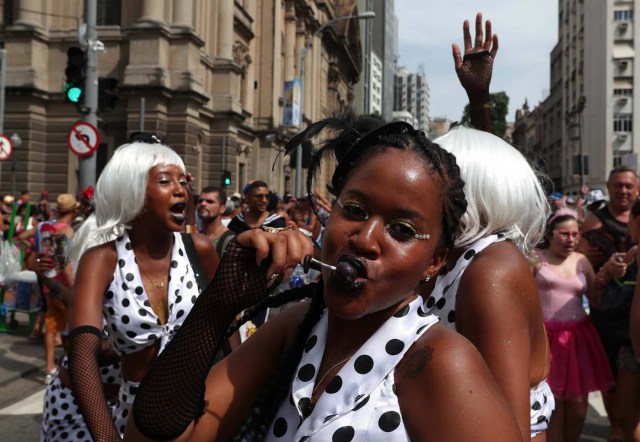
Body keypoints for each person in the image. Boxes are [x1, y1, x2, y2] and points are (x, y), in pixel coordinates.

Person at [127, 115, 522, 441]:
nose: (365, 240)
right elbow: (156, 436)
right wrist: (216, 307)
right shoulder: (295, 328)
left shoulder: (439, 362)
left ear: (434, 261)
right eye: (353, 209)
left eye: (401, 230)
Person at [424, 14, 552, 441]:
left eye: (439, 181)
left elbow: (506, 423)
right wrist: (479, 106)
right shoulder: (457, 256)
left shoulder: (491, 270)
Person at [67, 134, 219, 441]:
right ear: (134, 191)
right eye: (165, 181)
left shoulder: (199, 249)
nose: (180, 189)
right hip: (135, 420)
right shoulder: (102, 259)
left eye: (182, 180)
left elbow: (226, 325)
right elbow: (81, 354)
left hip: (203, 410)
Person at [533, 208, 614, 442]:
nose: (571, 239)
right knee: (554, 406)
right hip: (548, 339)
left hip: (578, 338)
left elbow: (595, 299)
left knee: (579, 409)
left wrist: (606, 276)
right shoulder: (535, 259)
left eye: (575, 234)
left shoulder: (582, 261)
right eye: (564, 234)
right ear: (550, 235)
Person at [577, 165, 639, 441]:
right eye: (618, 185)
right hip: (609, 313)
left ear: (637, 189)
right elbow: (580, 263)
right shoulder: (594, 222)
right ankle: (617, 427)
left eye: (629, 186)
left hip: (634, 312)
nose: (623, 190)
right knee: (611, 377)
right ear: (609, 187)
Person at [197, 185, 235, 257]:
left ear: (222, 208)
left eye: (209, 201)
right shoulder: (195, 237)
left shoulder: (229, 241)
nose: (203, 204)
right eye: (200, 201)